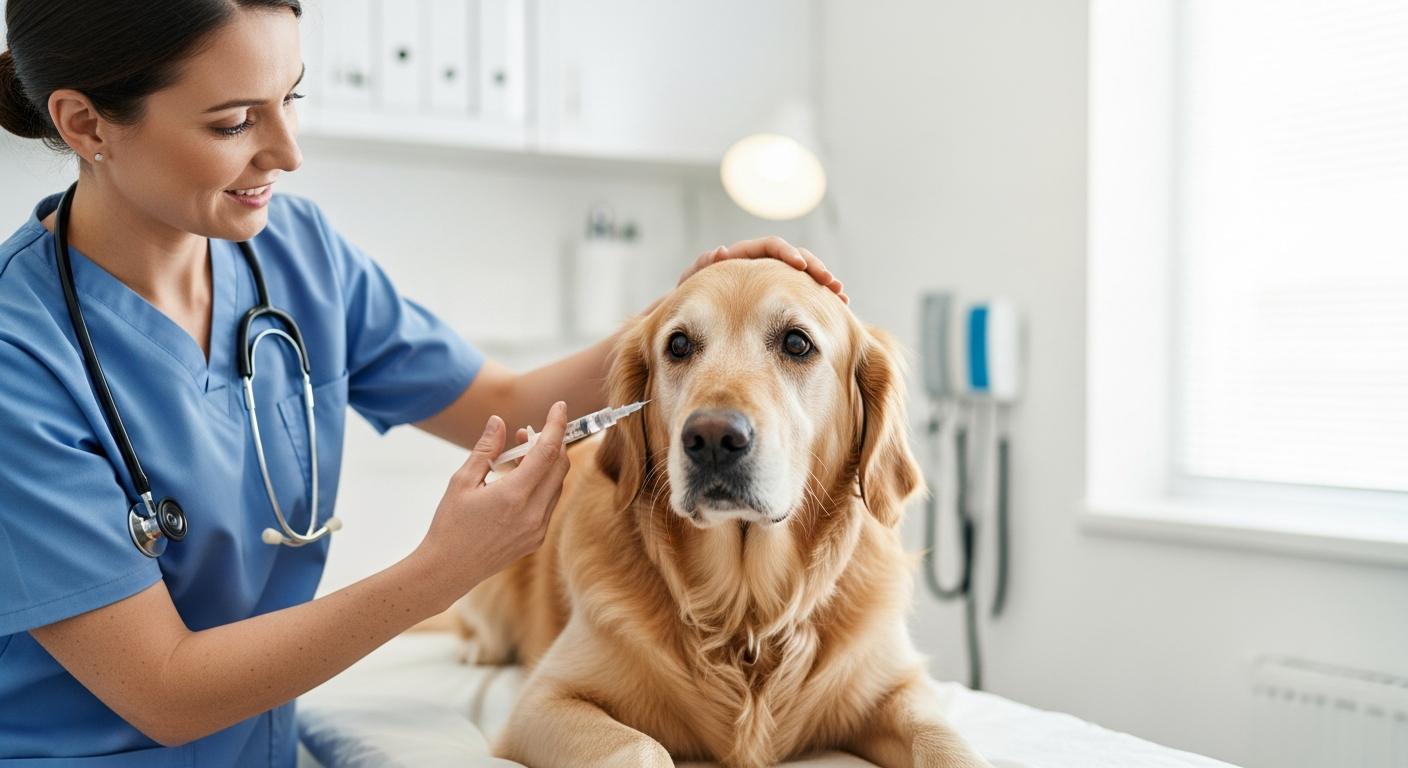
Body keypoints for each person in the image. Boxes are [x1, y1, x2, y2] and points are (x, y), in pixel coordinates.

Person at [0, 1, 846, 763]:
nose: (288, 153)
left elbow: (507, 406)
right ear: (85, 124)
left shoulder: (297, 256)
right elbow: (165, 691)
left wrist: (681, 321)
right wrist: (444, 568)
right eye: (232, 122)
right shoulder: (18, 358)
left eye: (292, 97)